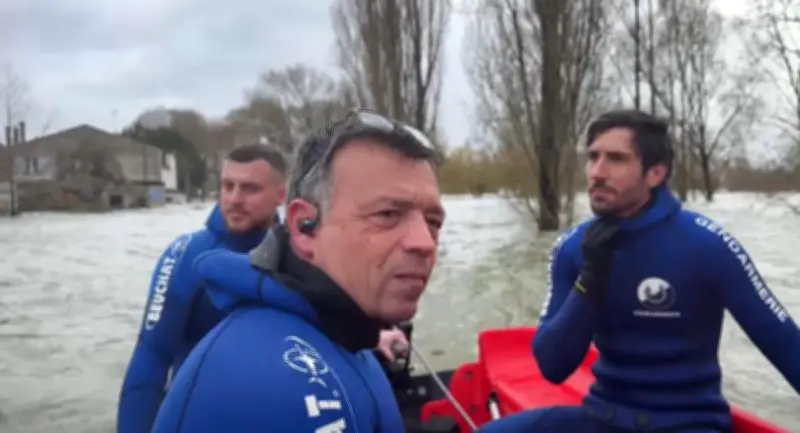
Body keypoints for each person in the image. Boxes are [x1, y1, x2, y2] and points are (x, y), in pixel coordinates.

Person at [477, 110, 800, 433]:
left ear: (655, 173)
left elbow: (784, 344)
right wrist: (589, 281)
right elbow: (552, 366)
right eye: (593, 157)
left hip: (688, 424)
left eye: (616, 159)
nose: (597, 172)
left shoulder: (707, 245)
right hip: (603, 419)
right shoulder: (574, 248)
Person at [150, 110, 445, 433]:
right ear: (304, 228)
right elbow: (149, 361)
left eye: (433, 222)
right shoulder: (267, 387)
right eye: (387, 214)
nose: (425, 243)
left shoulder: (344, 333)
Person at [116, 144, 286, 433]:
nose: (234, 199)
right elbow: (151, 358)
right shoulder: (186, 257)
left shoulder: (299, 254)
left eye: (250, 189)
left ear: (279, 196)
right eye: (227, 186)